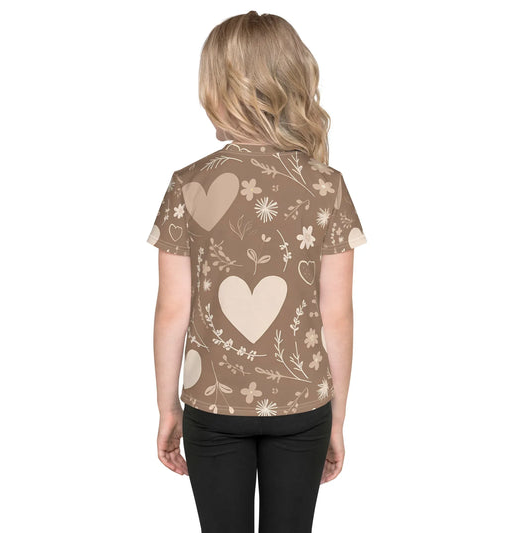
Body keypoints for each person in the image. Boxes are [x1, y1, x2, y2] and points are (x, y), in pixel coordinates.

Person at [146, 10, 367, 533]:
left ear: (217, 88)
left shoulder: (187, 184)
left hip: (212, 404)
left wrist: (167, 409)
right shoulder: (326, 186)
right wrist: (337, 417)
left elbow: (172, 310)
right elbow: (336, 314)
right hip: (303, 406)